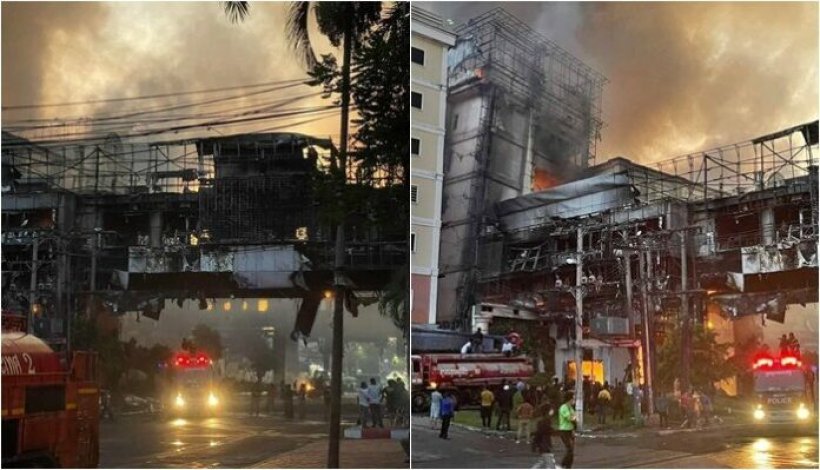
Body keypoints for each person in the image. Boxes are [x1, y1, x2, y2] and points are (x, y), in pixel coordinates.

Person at [557, 392, 577, 468]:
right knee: (569, 449)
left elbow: (574, 417)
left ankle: (568, 466)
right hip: (564, 431)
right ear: (569, 399)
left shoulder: (570, 408)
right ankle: (563, 464)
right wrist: (574, 418)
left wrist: (573, 429)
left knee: (572, 450)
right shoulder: (563, 407)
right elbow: (570, 418)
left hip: (570, 430)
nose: (574, 400)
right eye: (573, 398)